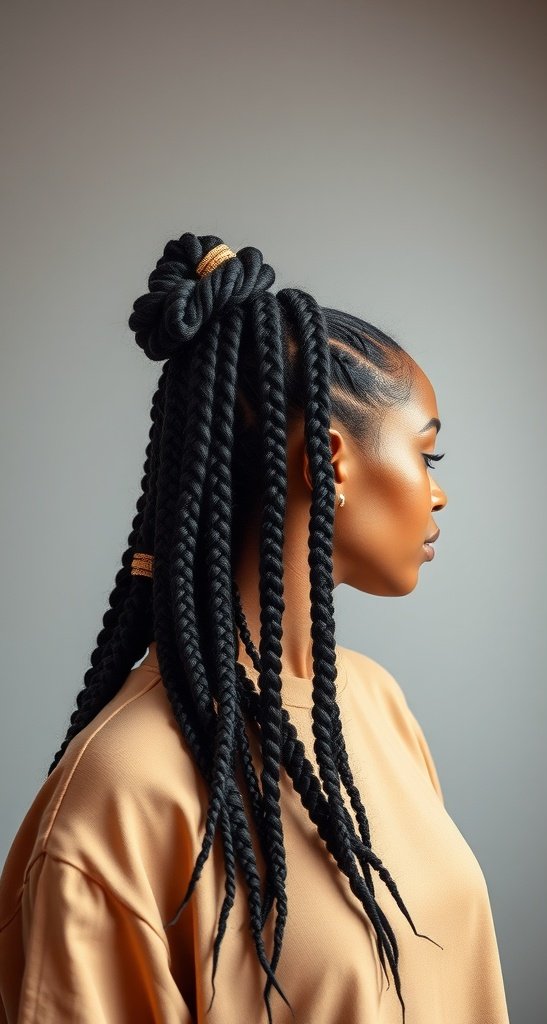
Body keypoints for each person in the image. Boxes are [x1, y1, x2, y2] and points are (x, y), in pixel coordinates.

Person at [0, 232, 510, 1023]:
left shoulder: (375, 708)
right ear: (331, 463)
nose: (436, 495)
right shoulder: (120, 791)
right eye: (428, 456)